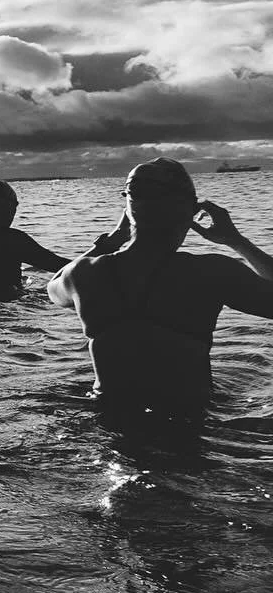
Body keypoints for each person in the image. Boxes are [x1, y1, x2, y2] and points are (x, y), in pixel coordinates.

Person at [47, 157, 273, 415]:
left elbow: (53, 286)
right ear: (189, 211)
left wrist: (112, 240)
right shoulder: (211, 272)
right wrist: (236, 241)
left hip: (109, 418)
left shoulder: (84, 274)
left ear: (128, 210)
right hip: (186, 421)